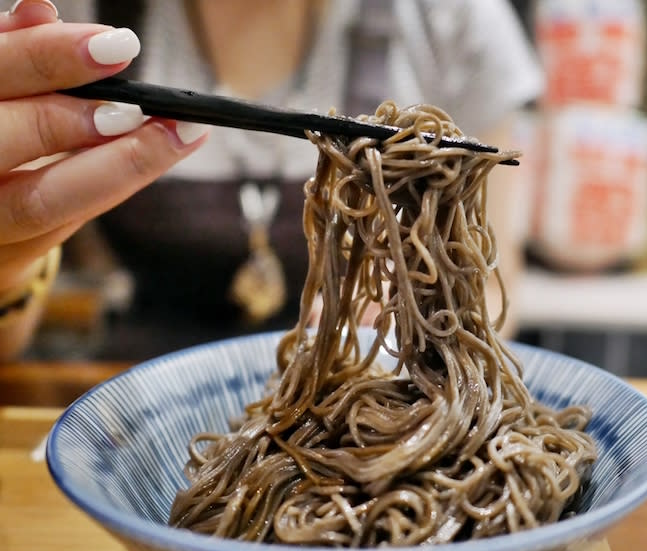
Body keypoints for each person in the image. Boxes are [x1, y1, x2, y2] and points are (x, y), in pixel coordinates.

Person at [0, 0, 543, 362]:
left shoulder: (451, 17)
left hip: (379, 387)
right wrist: (9, 265)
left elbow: (492, 282)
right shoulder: (73, 15)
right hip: (132, 407)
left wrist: (423, 333)